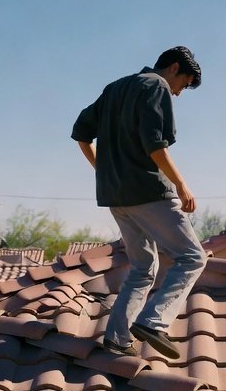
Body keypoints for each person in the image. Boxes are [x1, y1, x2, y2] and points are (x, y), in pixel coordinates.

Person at [71, 46, 209, 359]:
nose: (179, 94)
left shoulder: (116, 87)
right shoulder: (156, 86)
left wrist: (104, 171)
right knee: (192, 257)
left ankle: (118, 338)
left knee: (143, 268)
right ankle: (153, 322)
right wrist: (181, 185)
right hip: (148, 192)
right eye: (183, 85)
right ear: (173, 68)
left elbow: (81, 134)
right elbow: (155, 146)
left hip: (115, 196)